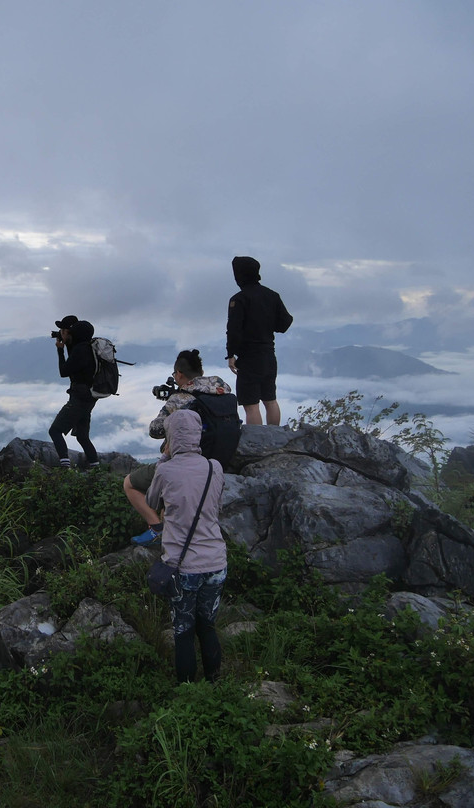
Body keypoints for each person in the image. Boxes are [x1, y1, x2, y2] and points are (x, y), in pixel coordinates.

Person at [145, 407, 227, 684]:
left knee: (183, 629)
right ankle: (215, 683)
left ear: (171, 437)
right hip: (216, 562)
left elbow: (151, 502)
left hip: (183, 567)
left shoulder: (165, 471)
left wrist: (164, 458)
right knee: (207, 626)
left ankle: (187, 692)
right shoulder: (214, 467)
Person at [125, 349, 231, 545]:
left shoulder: (179, 398)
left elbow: (155, 430)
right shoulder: (220, 387)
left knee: (129, 484)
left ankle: (156, 528)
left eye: (175, 374)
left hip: (184, 461)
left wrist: (173, 408)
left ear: (179, 374)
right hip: (217, 459)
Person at [225, 255, 293, 426]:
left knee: (251, 405)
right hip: (269, 355)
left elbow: (233, 330)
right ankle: (275, 438)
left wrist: (230, 354)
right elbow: (285, 323)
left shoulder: (238, 299)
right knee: (270, 400)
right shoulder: (272, 296)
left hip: (249, 359)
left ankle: (258, 445)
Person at [48, 315, 99, 469]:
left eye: (63, 330)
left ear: (70, 333)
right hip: (89, 397)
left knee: (55, 431)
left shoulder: (80, 351)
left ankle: (65, 467)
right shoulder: (86, 347)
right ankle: (96, 468)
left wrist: (60, 350)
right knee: (82, 437)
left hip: (79, 398)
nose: (61, 333)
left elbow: (64, 371)